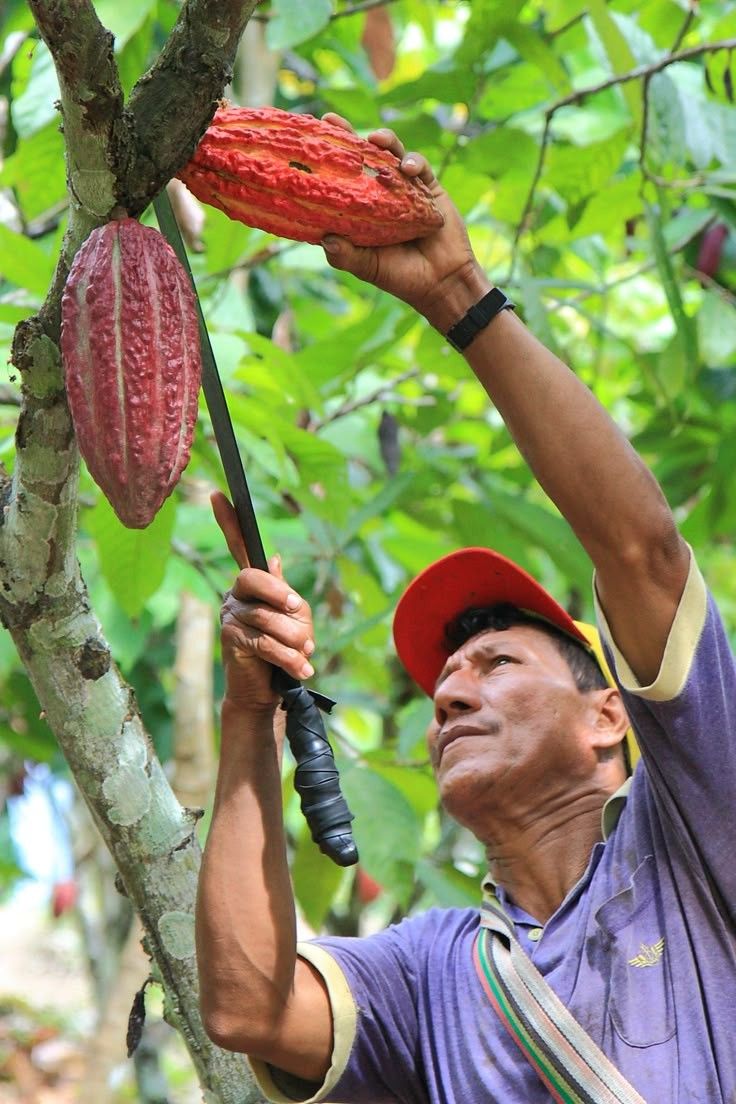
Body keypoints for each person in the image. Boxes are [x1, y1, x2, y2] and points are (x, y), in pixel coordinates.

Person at [196, 119, 736, 1103]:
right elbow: (245, 1009)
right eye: (446, 677)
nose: (447, 692)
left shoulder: (699, 830)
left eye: (496, 664)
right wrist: (246, 716)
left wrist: (459, 297)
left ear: (606, 717)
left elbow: (639, 551)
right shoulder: (429, 974)